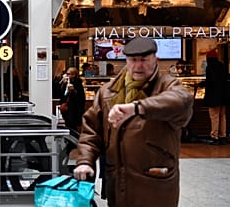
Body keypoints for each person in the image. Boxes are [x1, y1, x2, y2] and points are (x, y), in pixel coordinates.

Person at [73, 37, 194, 207]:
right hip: (117, 184)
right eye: (133, 60)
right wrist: (85, 161)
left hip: (156, 184)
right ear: (126, 61)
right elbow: (91, 131)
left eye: (144, 60)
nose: (138, 66)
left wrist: (137, 108)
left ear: (155, 60)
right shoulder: (107, 91)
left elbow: (182, 101)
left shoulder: (167, 85)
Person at [199, 49, 227, 145]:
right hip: (223, 96)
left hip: (214, 96)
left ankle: (214, 136)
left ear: (208, 58)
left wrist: (201, 84)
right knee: (222, 116)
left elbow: (211, 81)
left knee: (214, 117)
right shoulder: (222, 66)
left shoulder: (210, 67)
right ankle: (223, 135)